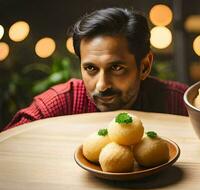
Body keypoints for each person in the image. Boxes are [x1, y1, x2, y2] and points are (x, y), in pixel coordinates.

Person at [3, 7, 188, 131]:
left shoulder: (180, 104)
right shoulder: (60, 104)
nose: (102, 85)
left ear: (145, 66)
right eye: (91, 68)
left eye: (116, 67)